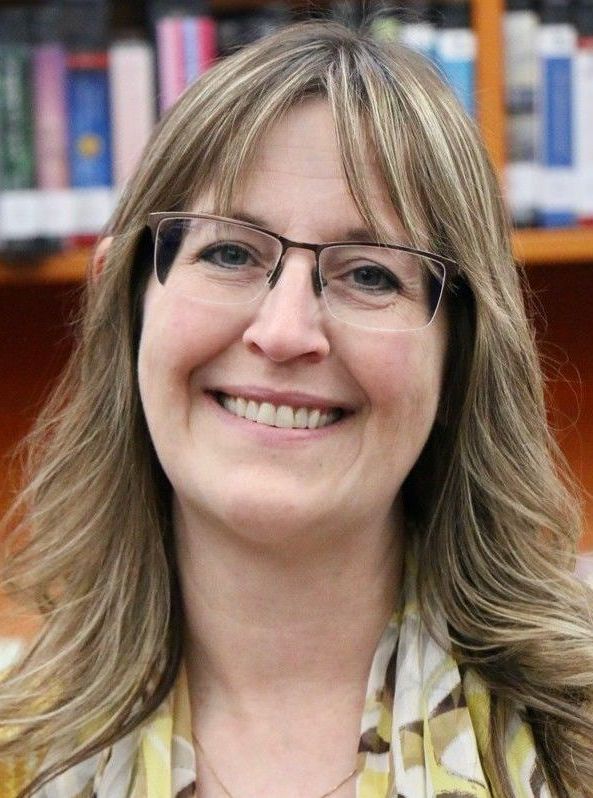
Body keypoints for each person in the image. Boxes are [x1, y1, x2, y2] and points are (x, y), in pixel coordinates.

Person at [1, 19, 592, 798]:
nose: (284, 333)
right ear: (126, 306)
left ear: (461, 355)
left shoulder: (573, 749)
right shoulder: (20, 752)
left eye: (372, 276)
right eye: (229, 252)